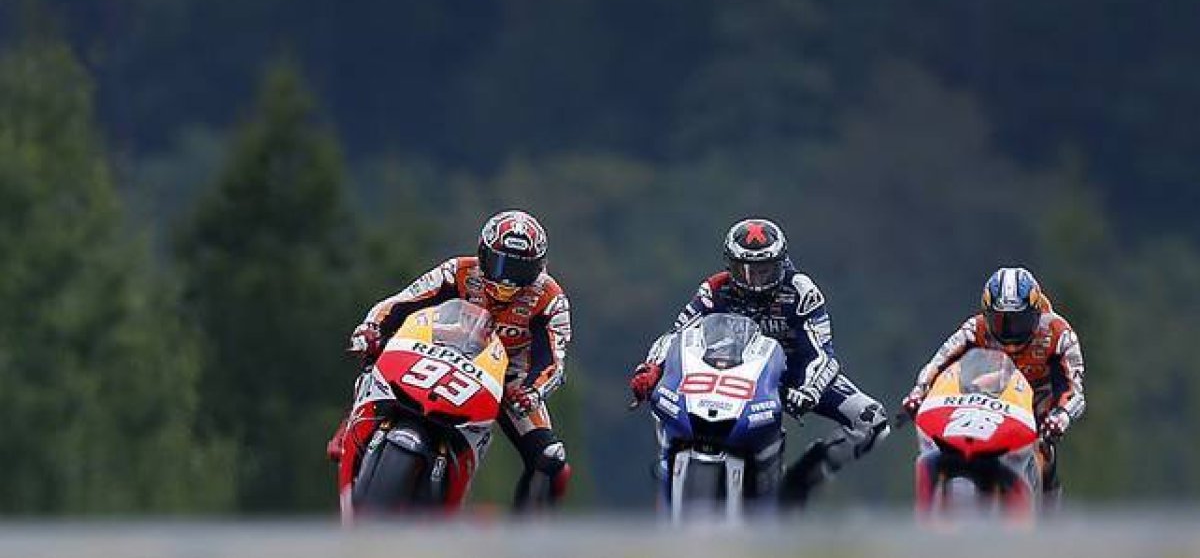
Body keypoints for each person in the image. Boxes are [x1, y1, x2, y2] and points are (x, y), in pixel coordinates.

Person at [628, 218, 891, 505]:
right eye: (744, 269)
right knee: (664, 397)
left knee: (872, 420)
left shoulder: (802, 291)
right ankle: (669, 466)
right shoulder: (714, 289)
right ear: (730, 265)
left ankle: (802, 477)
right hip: (732, 372)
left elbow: (822, 354)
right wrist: (651, 367)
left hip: (793, 376)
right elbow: (676, 334)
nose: (754, 280)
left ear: (782, 262)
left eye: (765, 270)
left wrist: (808, 391)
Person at [327, 209, 573, 510]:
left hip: (509, 378)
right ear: (482, 253)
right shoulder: (457, 270)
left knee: (550, 460)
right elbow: (401, 302)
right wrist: (371, 328)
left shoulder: (550, 298)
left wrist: (532, 391)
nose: (507, 280)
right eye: (499, 264)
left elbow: (553, 359)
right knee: (375, 355)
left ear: (539, 268)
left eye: (520, 271)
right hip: (445, 351)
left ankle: (523, 541)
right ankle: (352, 421)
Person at [901, 266, 1085, 503]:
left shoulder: (1059, 334)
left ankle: (1048, 514)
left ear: (1036, 311)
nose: (1009, 329)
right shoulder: (974, 328)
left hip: (1036, 403)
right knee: (943, 438)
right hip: (986, 399)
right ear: (987, 314)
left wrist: (1061, 416)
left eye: (1019, 320)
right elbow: (938, 363)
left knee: (1044, 450)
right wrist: (919, 392)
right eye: (1000, 320)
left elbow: (1074, 389)